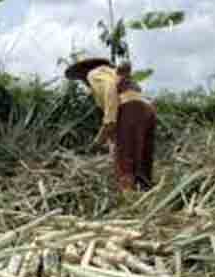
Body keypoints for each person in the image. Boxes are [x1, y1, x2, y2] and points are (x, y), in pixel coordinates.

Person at [65, 58, 156, 192]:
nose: (82, 81)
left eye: (79, 77)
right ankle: (146, 195)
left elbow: (110, 90)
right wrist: (109, 137)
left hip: (130, 108)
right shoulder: (113, 73)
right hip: (147, 109)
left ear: (83, 71)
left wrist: (109, 122)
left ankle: (128, 201)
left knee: (125, 162)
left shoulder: (93, 74)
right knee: (142, 160)